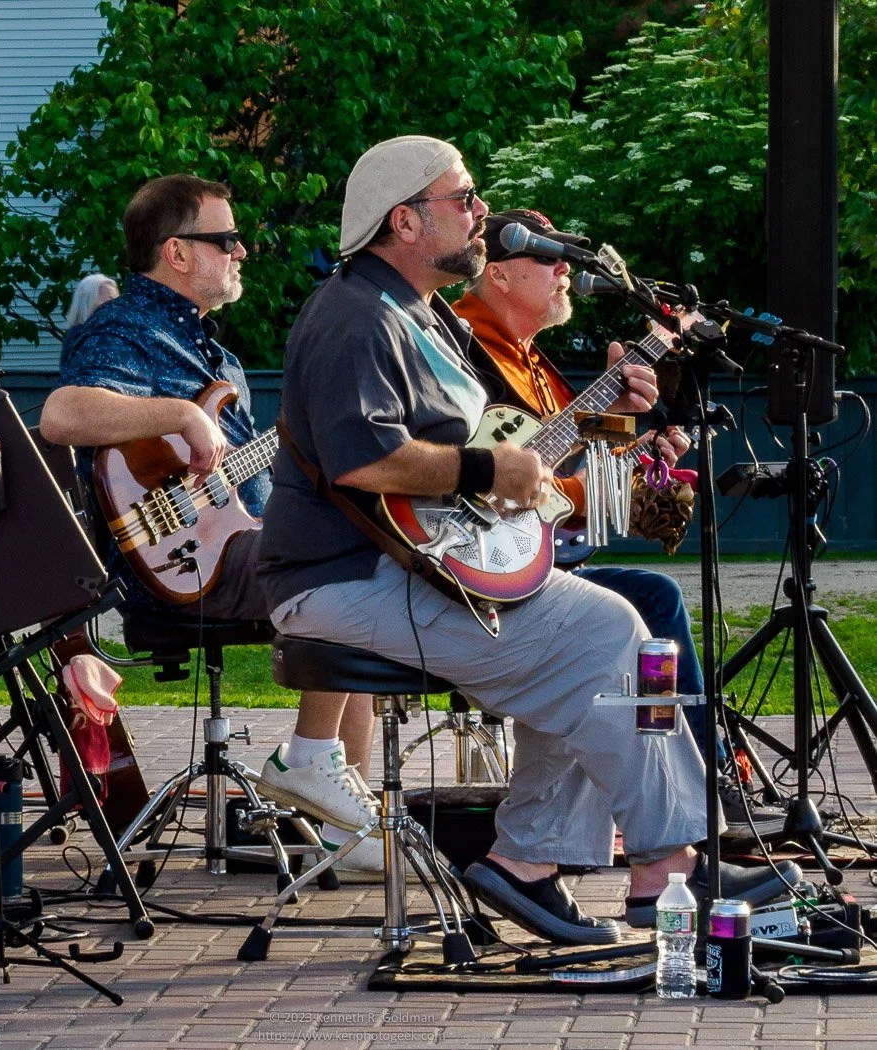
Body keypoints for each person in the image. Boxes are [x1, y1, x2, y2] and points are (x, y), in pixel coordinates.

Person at [257, 135, 801, 945]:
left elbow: (501, 451)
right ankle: (657, 866)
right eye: (465, 199)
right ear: (404, 221)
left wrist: (603, 425)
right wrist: (485, 471)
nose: (482, 214)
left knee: (600, 636)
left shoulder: (420, 312)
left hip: (409, 565)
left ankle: (541, 867)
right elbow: (365, 461)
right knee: (607, 633)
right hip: (339, 582)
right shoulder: (354, 317)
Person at [39, 175, 382, 881]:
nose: (243, 251)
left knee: (370, 557)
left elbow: (245, 479)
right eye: (226, 240)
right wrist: (182, 414)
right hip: (173, 564)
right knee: (347, 561)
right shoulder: (125, 327)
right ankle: (313, 765)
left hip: (235, 539)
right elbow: (63, 416)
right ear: (177, 252)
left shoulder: (218, 358)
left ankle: (341, 819)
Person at [452, 209, 786, 839]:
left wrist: (633, 426)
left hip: (540, 559)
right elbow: (515, 480)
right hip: (487, 571)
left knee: (654, 601)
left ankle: (680, 789)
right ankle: (689, 794)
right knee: (650, 605)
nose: (564, 272)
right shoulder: (467, 349)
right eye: (549, 261)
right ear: (496, 274)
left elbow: (567, 453)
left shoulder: (529, 358)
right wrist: (608, 461)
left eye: (566, 260)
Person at [60, 274, 120, 371]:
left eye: (115, 300)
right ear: (88, 301)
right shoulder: (85, 337)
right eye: (109, 299)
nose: (115, 306)